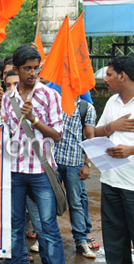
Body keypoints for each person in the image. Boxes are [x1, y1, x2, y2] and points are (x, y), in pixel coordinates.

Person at [0, 45, 64, 264]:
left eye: (37, 68)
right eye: (28, 68)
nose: (33, 73)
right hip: (14, 171)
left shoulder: (50, 95)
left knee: (47, 226)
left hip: (41, 170)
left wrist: (34, 119)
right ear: (17, 69)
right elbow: (4, 133)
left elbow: (57, 135)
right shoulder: (8, 99)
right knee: (14, 224)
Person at [94, 55, 134, 264]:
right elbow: (96, 133)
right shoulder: (112, 102)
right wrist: (111, 127)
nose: (105, 79)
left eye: (109, 74)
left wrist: (132, 150)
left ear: (122, 75)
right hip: (110, 181)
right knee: (114, 244)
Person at [54, 97, 97, 258]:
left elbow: (90, 138)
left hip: (75, 163)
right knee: (50, 201)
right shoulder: (55, 102)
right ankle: (45, 238)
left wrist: (87, 164)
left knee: (76, 203)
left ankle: (81, 240)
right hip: (54, 162)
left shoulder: (86, 108)